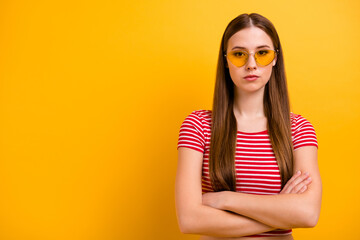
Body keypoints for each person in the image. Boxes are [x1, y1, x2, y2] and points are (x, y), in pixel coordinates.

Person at [175, 13, 322, 240]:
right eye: (239, 54)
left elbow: (308, 214)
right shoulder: (198, 125)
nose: (251, 64)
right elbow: (189, 219)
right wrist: (281, 211)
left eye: (262, 53)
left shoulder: (299, 129)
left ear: (275, 59)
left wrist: (225, 199)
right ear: (226, 60)